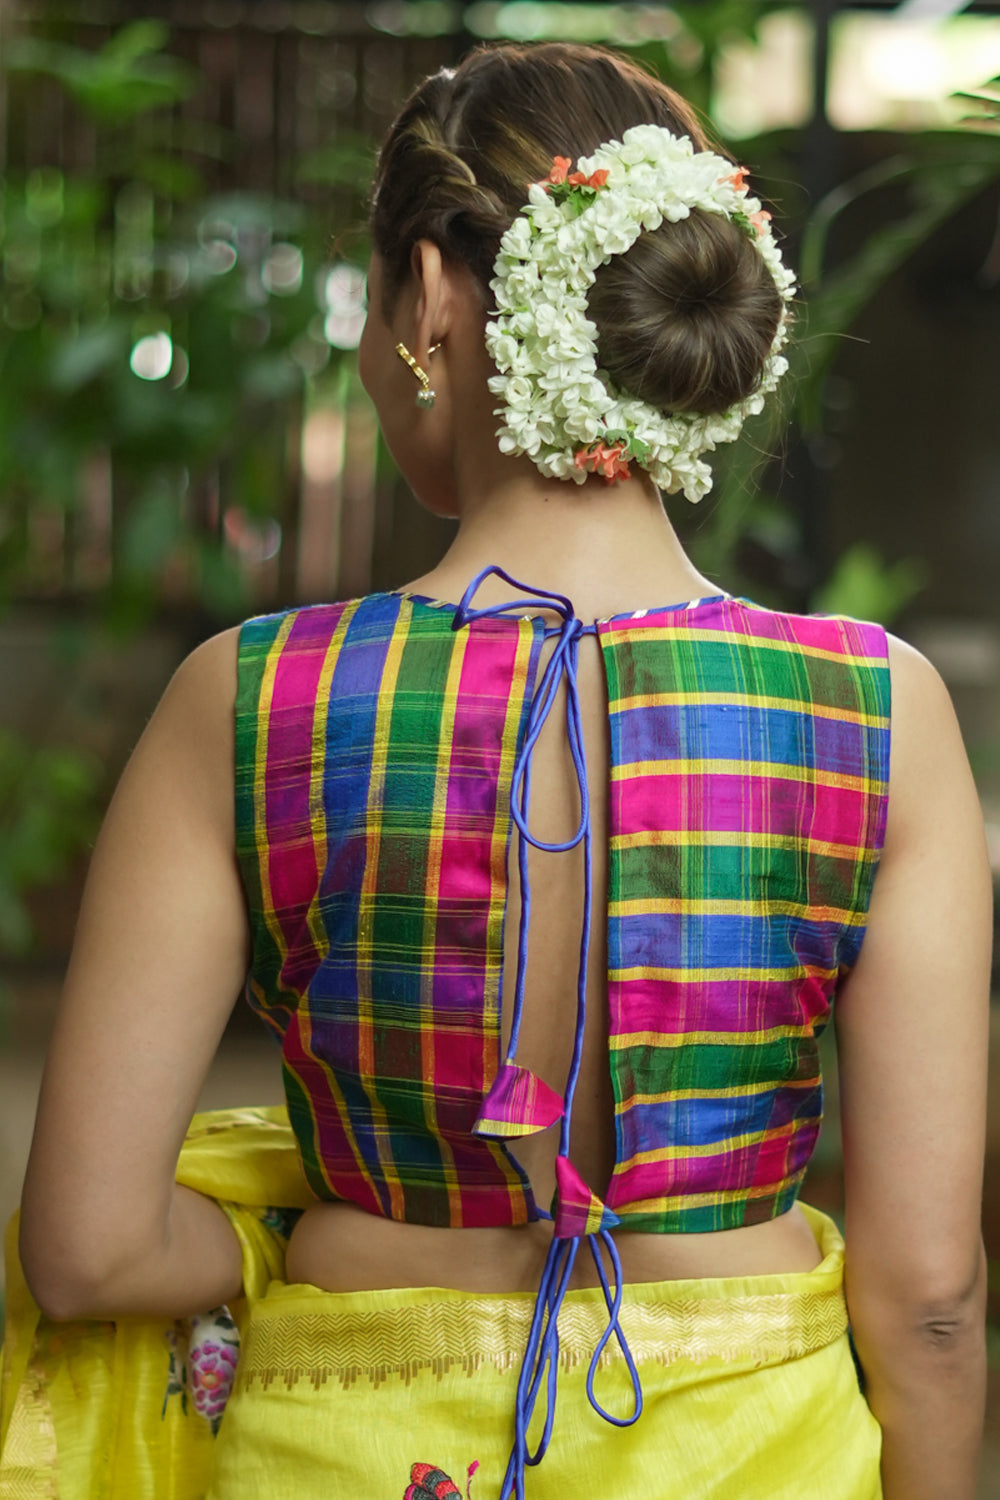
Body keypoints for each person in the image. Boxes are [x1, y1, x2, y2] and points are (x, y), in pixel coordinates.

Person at [3, 38, 990, 1500]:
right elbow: (928, 1301)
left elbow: (87, 1254)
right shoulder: (879, 712)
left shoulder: (253, 699)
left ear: (427, 298)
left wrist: (279, 1227)